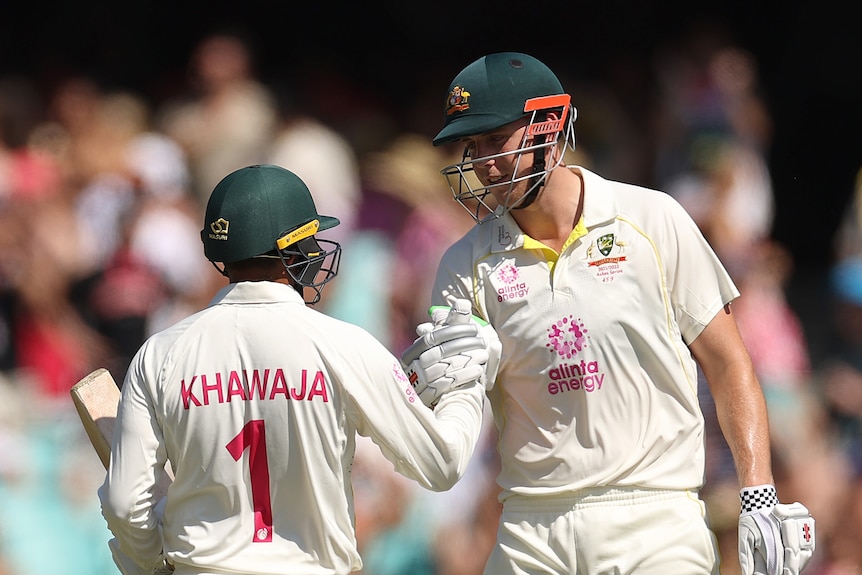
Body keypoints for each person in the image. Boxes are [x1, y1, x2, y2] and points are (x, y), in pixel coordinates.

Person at [425, 52, 816, 575]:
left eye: (497, 140)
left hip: (654, 521)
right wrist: (427, 389)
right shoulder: (463, 264)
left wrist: (758, 497)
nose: (483, 162)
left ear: (551, 124)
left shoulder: (653, 219)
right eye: (472, 147)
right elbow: (452, 410)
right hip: (530, 531)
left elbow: (728, 364)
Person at [98, 164, 496, 575]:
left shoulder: (159, 354)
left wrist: (150, 565)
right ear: (292, 252)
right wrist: (465, 384)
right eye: (310, 242)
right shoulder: (345, 344)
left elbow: (125, 503)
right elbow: (441, 465)